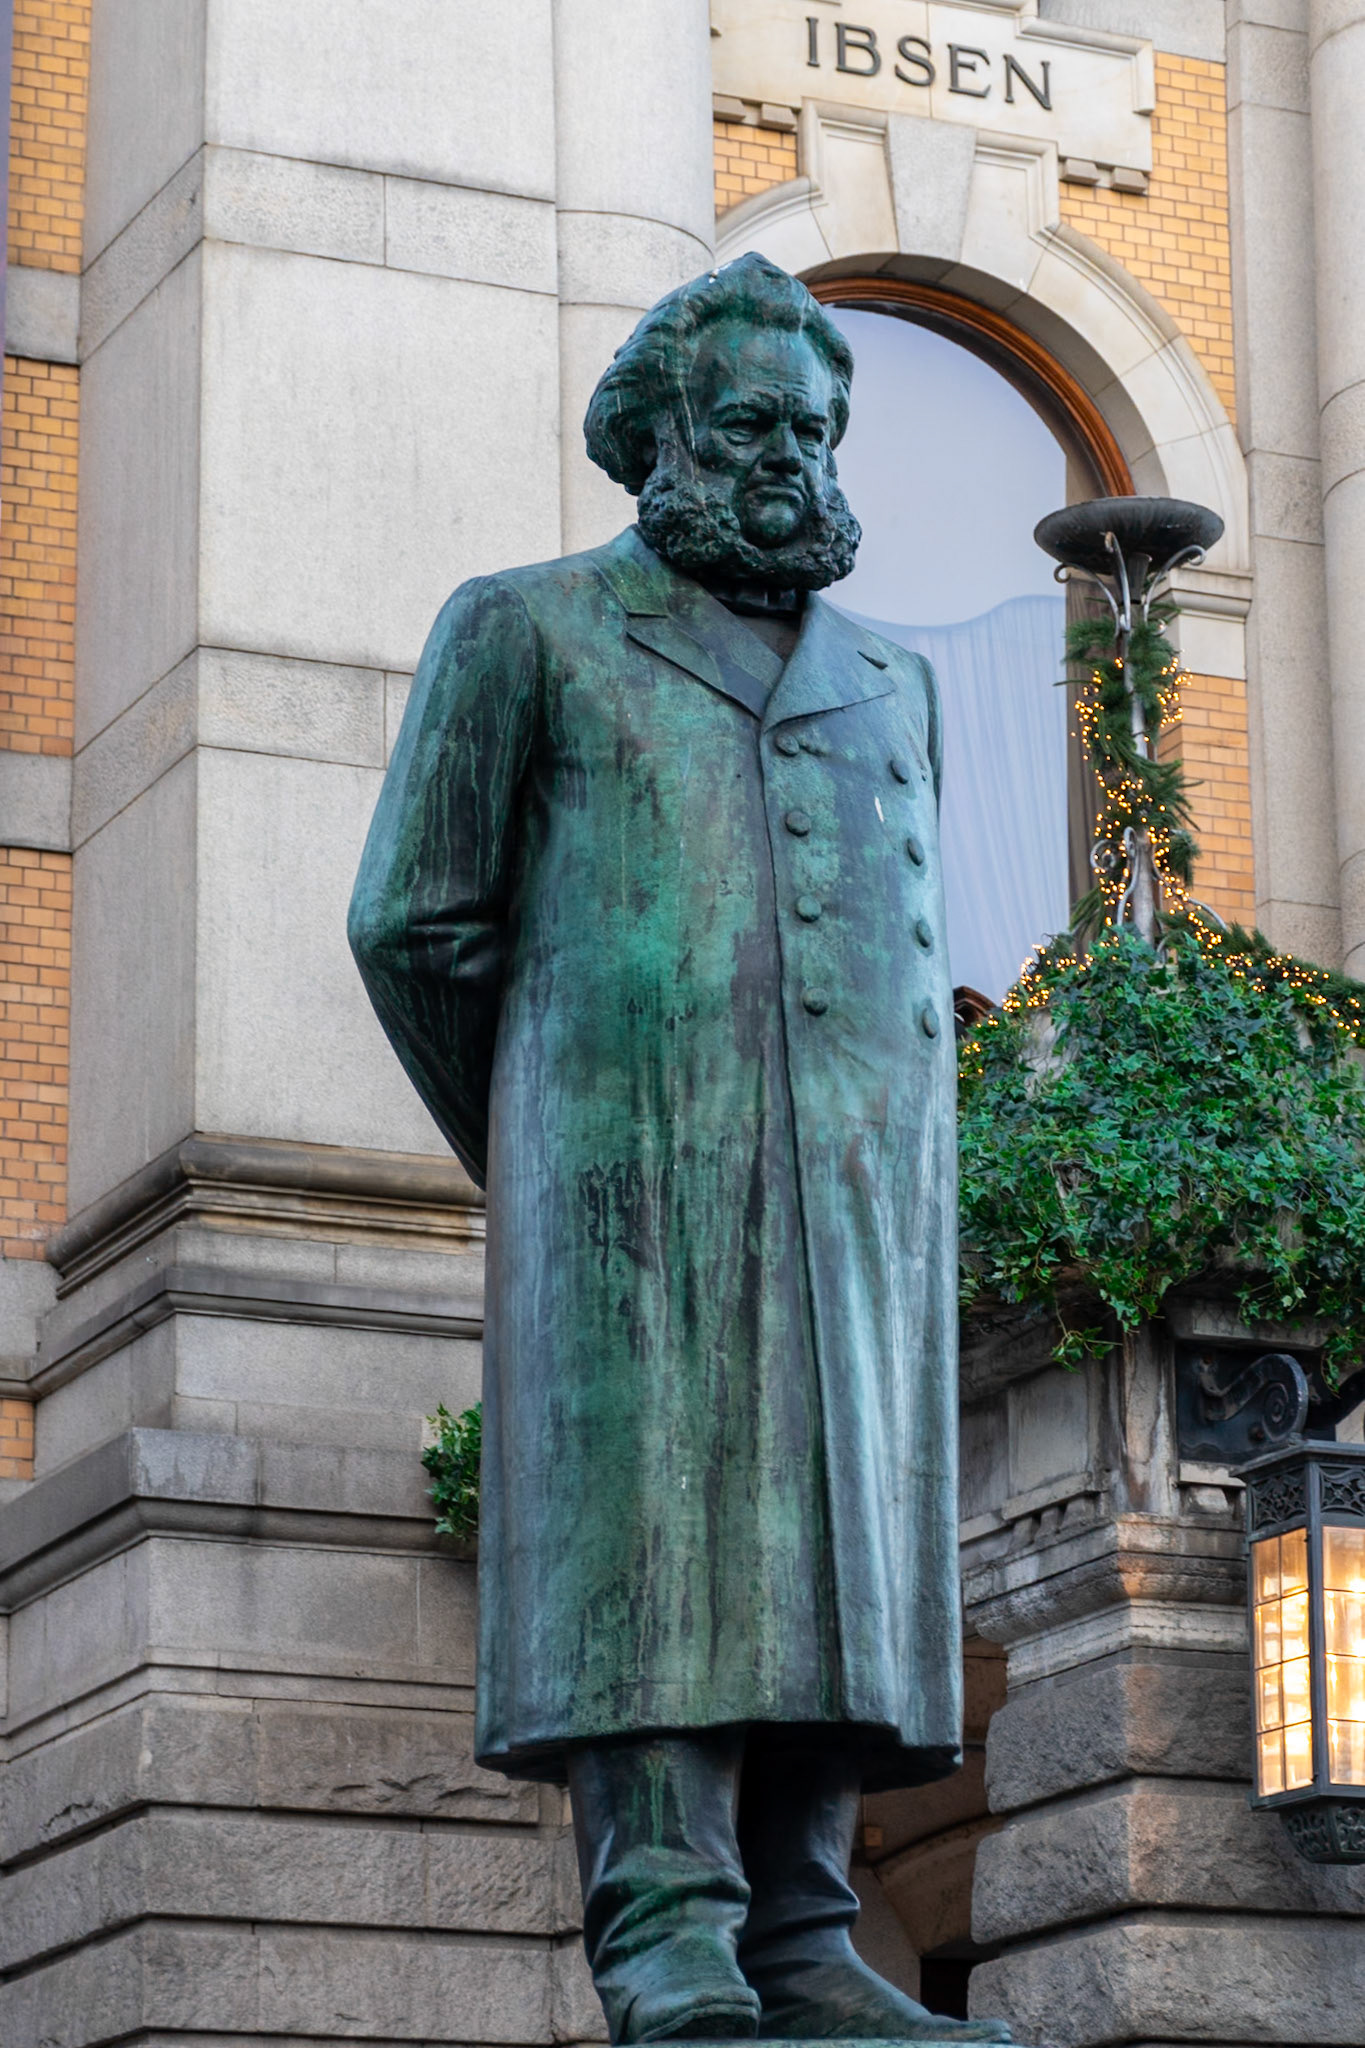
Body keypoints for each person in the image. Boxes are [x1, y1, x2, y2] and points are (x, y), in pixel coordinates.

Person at [349, 254, 1010, 2046]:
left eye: (813, 424)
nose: (788, 456)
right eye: (748, 425)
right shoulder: (526, 627)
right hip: (624, 1177)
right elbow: (414, 925)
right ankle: (665, 1931)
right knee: (660, 1538)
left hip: (862, 1195)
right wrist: (555, 1139)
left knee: (837, 1553)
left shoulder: (896, 679)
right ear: (662, 442)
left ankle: (805, 1928)